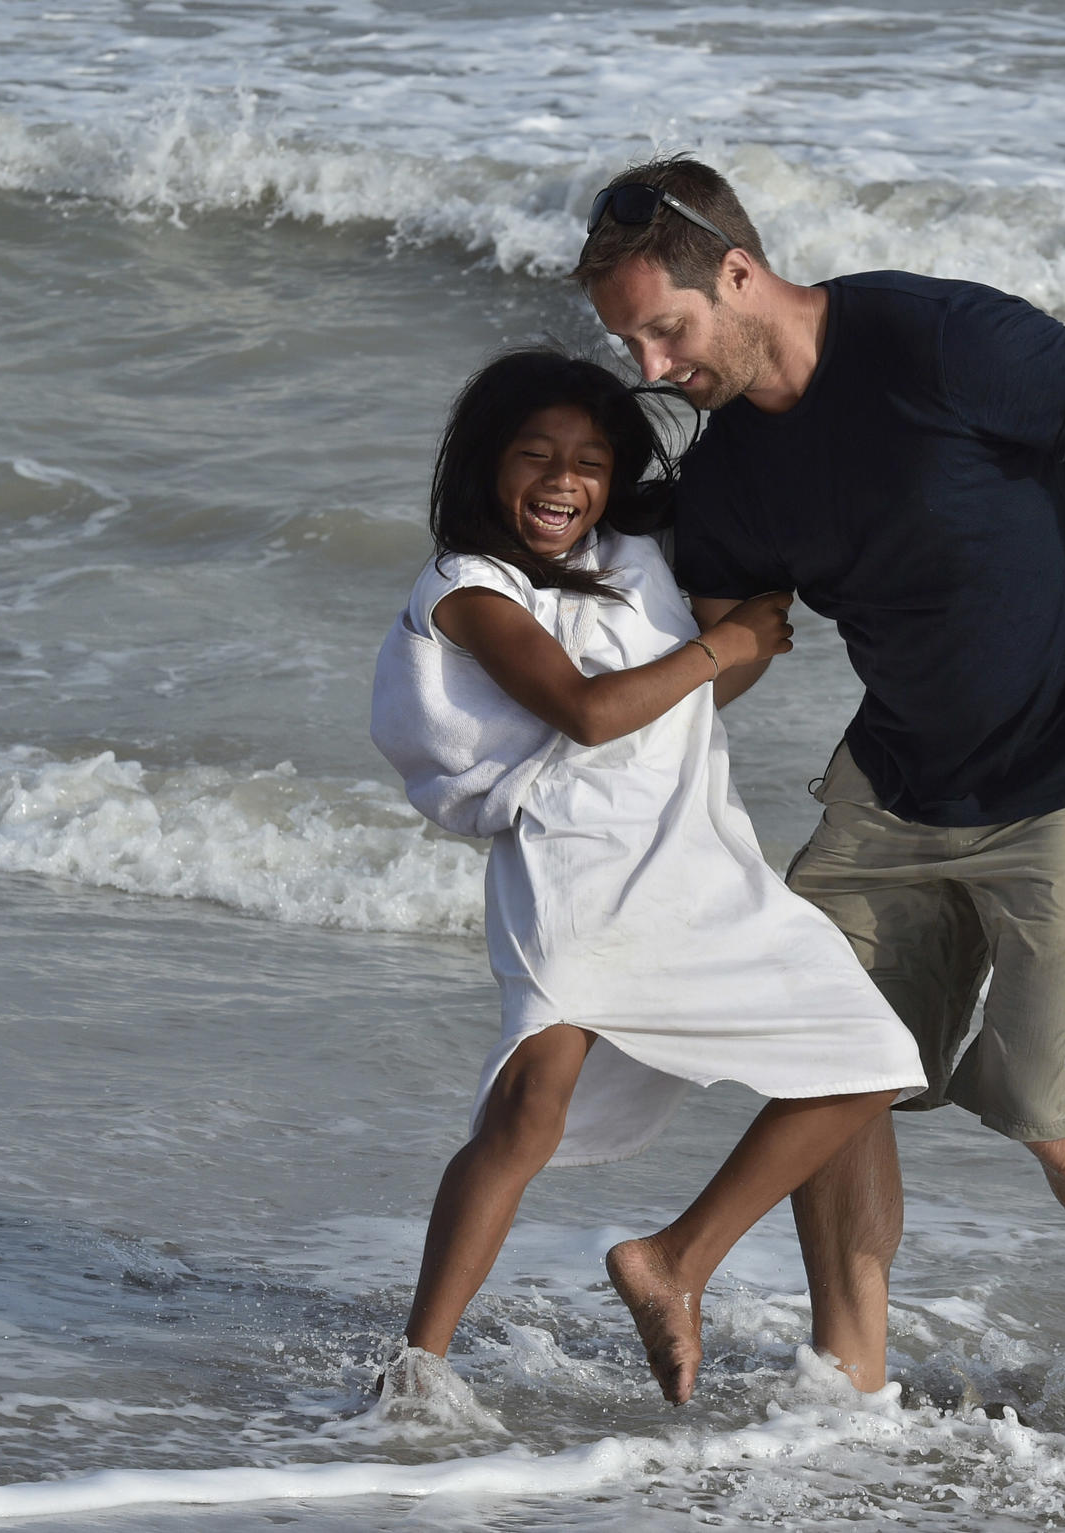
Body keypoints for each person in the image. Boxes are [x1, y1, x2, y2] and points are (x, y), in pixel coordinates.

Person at [574, 158, 1065, 1444]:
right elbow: (720, 650)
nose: (654, 367)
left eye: (667, 328)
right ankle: (850, 1376)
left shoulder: (934, 340)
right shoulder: (729, 480)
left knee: (1049, 1105)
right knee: (827, 1056)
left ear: (739, 271)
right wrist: (564, 731)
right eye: (629, 344)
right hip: (896, 792)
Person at [369, 348, 928, 1405]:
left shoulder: (634, 551)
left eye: (586, 461)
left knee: (863, 1060)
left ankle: (673, 1261)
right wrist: (724, 644)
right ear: (485, 465)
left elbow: (726, 570)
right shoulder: (464, 588)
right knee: (527, 1113)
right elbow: (585, 712)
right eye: (533, 456)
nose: (560, 482)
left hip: (695, 860)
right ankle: (417, 1368)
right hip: (573, 866)